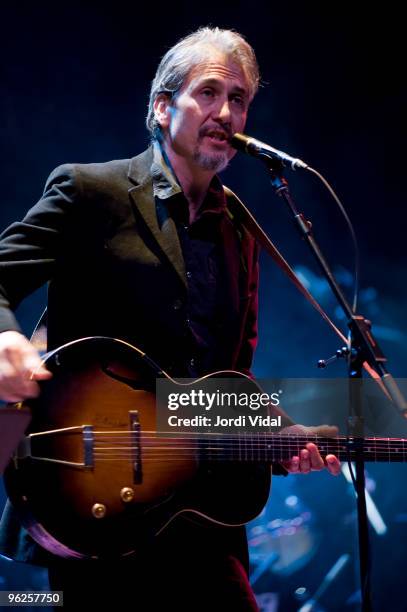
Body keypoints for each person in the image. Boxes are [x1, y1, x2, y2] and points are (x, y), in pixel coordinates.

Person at [0, 27, 341, 611]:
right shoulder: (91, 191)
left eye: (239, 100)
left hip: (200, 519)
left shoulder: (241, 231)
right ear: (162, 106)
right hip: (86, 505)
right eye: (209, 92)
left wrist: (282, 434)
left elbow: (224, 379)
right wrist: (6, 337)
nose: (226, 111)